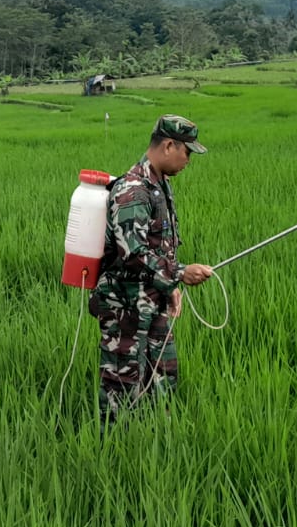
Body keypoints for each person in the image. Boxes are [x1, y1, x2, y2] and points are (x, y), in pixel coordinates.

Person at [88, 114, 215, 426]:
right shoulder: (132, 190)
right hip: (125, 306)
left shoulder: (160, 184)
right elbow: (132, 253)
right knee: (122, 380)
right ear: (169, 146)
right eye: (187, 152)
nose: (189, 160)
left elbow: (159, 246)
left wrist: (168, 287)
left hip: (152, 298)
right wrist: (180, 273)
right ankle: (113, 448)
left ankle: (158, 438)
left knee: (162, 374)